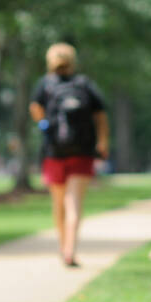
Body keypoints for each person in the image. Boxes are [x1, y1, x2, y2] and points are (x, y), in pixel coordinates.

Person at [30, 43, 109, 268]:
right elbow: (101, 115)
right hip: (82, 152)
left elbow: (35, 108)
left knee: (59, 203)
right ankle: (70, 250)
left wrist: (44, 124)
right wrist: (103, 142)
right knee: (73, 203)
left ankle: (63, 245)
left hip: (55, 151)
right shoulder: (84, 84)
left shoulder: (45, 84)